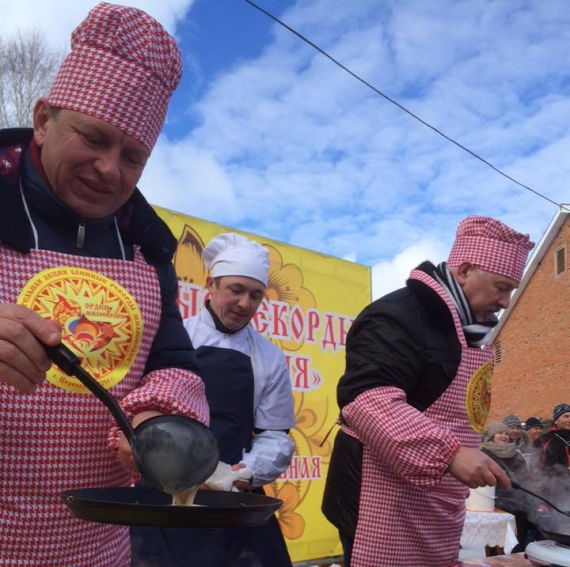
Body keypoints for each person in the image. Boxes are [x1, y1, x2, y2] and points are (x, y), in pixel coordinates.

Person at [0, 4, 208, 566]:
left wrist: (159, 415)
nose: (110, 170)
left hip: (95, 545)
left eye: (133, 157)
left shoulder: (147, 247)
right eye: (93, 139)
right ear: (43, 119)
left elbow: (174, 359)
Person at [321, 215, 535, 567]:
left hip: (436, 497)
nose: (506, 302)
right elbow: (365, 398)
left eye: (511, 289)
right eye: (501, 287)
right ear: (464, 271)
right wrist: (449, 455)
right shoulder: (398, 315)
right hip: (383, 496)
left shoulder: (467, 331)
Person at [131, 233, 296, 567]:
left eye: (256, 295)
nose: (245, 304)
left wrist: (246, 471)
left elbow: (275, 434)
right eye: (236, 290)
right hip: (159, 499)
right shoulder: (172, 336)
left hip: (229, 500)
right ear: (210, 284)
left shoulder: (269, 357)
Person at [480, 421, 542, 551]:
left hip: (518, 504)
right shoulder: (484, 454)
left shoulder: (515, 453)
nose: (504, 436)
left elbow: (526, 478)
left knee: (518, 541)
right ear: (492, 436)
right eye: (499, 433)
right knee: (496, 543)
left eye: (505, 433)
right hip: (496, 504)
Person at [534, 403, 570, 502]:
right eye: (566, 416)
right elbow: (536, 469)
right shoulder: (545, 440)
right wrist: (542, 497)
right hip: (554, 492)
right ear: (556, 421)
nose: (569, 420)